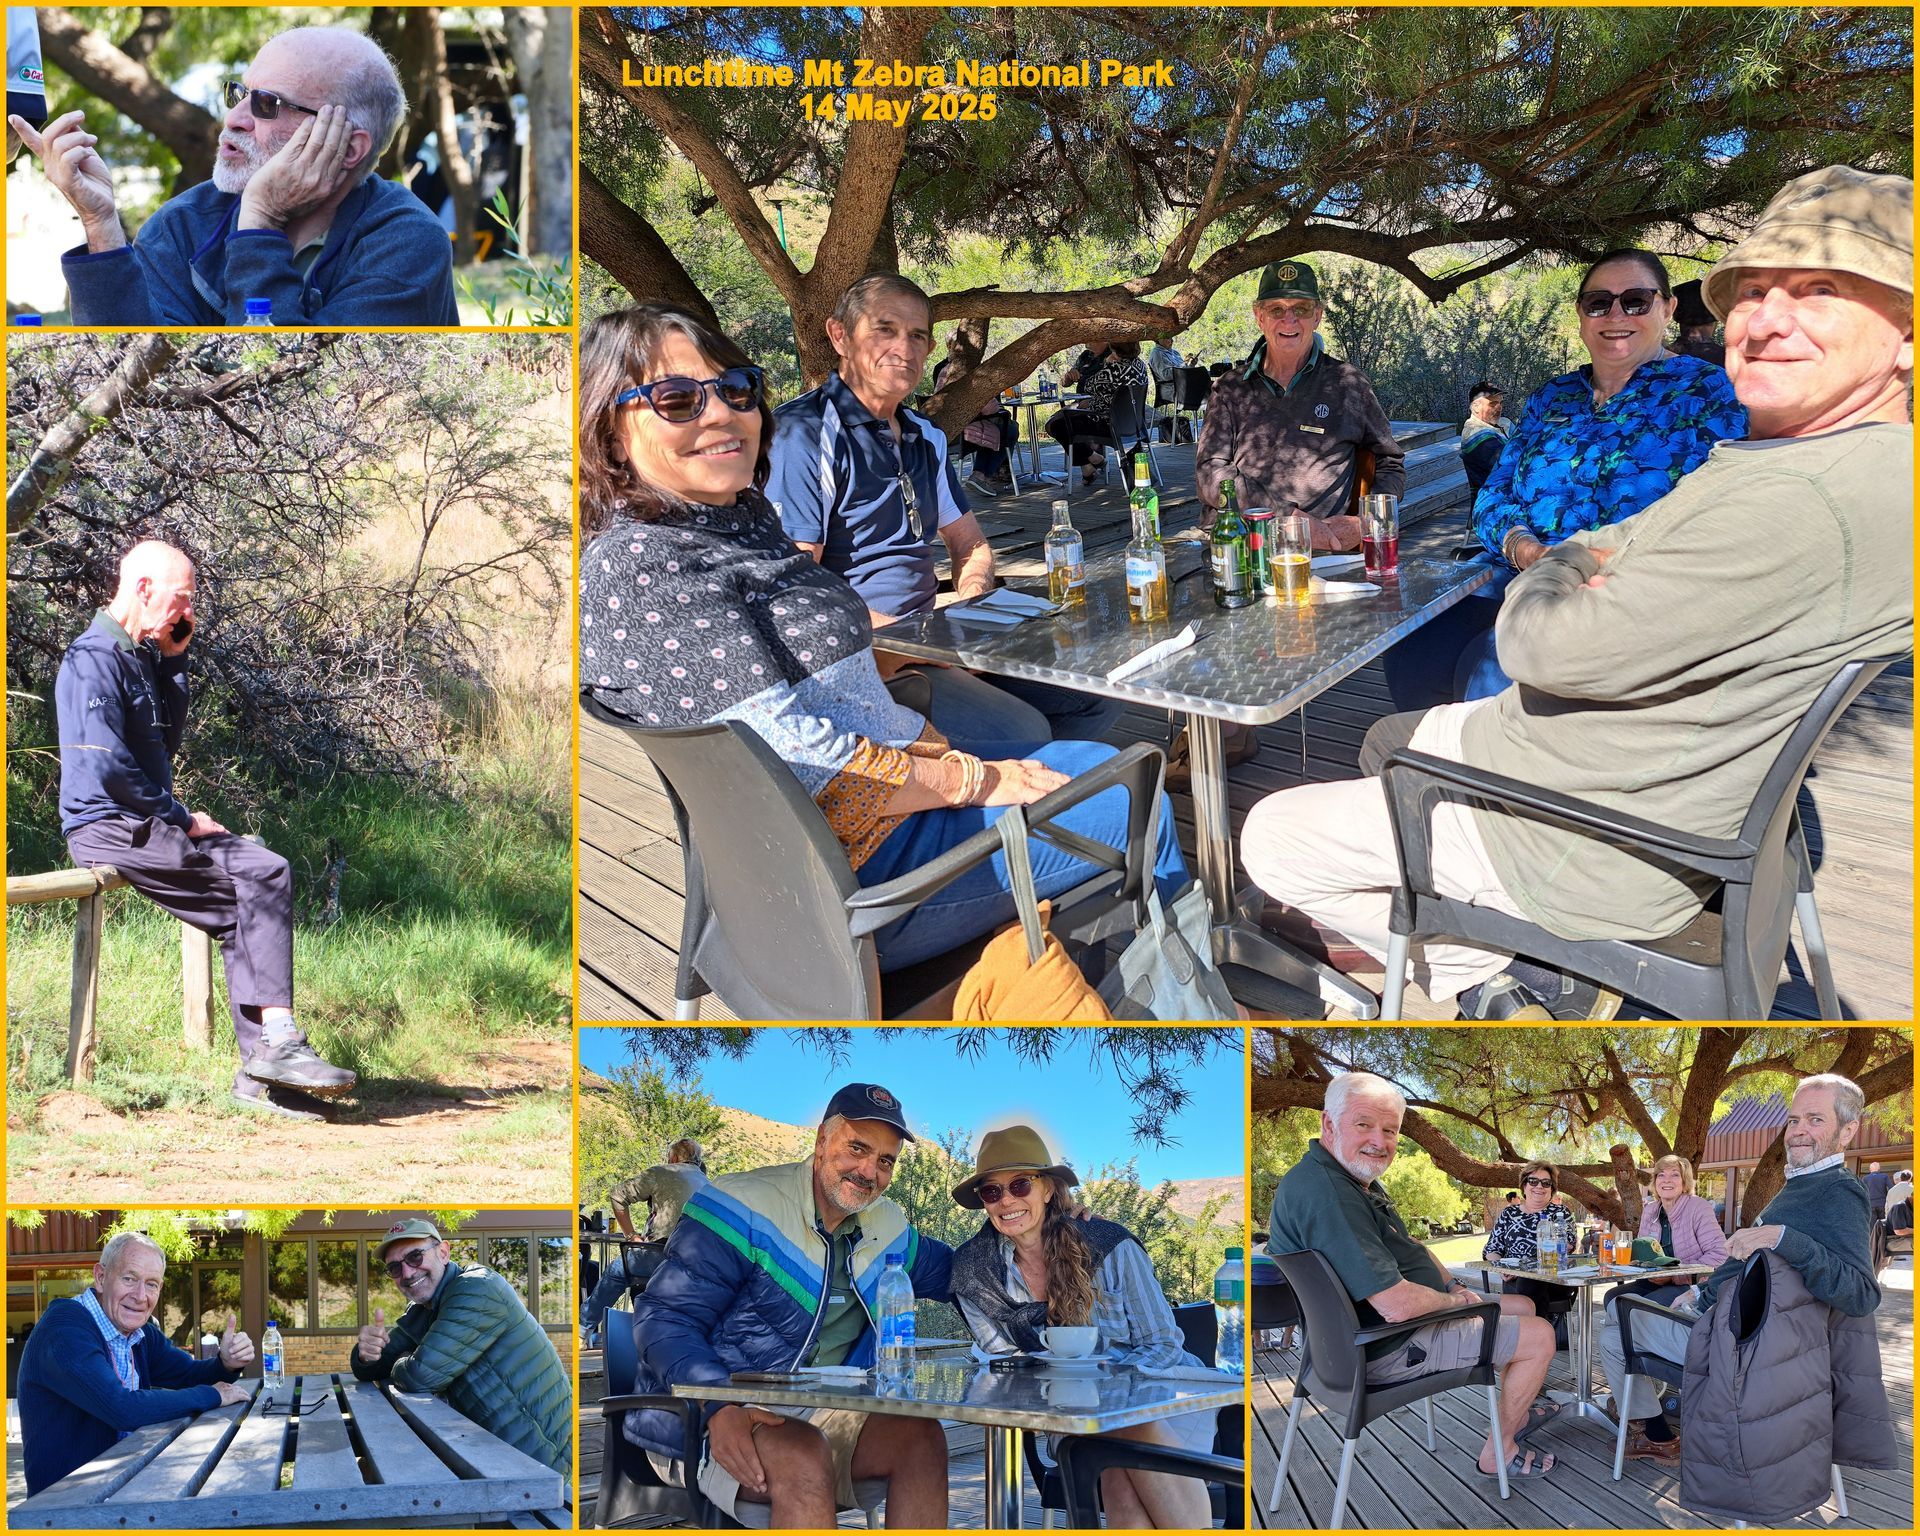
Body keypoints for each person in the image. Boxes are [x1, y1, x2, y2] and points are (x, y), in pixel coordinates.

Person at [1242, 165, 1913, 1021]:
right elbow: (1508, 502)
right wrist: (1539, 551)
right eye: (1753, 293)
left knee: (1281, 827)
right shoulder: (1589, 406)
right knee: (1393, 711)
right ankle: (1438, 903)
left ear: (1665, 311)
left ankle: (1478, 959)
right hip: (1563, 648)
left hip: (1587, 799)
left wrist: (1555, 567)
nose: (1770, 319)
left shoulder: (1732, 422)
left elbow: (1558, 637)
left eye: (1820, 291)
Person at [579, 306, 1186, 975]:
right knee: (1138, 795)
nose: (721, 413)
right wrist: (973, 778)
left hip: (885, 793)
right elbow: (797, 764)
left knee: (1106, 758)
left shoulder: (733, 522)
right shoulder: (645, 563)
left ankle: (1119, 964)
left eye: (736, 389)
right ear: (610, 435)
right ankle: (1187, 988)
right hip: (858, 880)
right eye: (676, 399)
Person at [55, 540, 356, 1115]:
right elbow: (107, 768)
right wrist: (182, 818)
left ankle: (271, 1059)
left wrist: (173, 662)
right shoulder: (92, 658)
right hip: (110, 826)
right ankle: (271, 1057)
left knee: (268, 871)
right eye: (182, 598)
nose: (188, 611)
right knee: (243, 904)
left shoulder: (138, 656)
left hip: (150, 819)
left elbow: (162, 747)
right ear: (144, 588)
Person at [1385, 250, 1747, 710]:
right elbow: (1494, 493)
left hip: (1619, 592)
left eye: (1635, 300)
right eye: (1599, 302)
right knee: (1413, 645)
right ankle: (1431, 751)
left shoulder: (1710, 394)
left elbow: (1723, 514)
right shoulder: (1554, 397)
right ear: (1581, 314)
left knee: (1491, 669)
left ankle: (1488, 755)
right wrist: (1523, 548)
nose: (1616, 314)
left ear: (1668, 308)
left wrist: (1595, 567)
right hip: (1518, 571)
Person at [768, 275, 1122, 743]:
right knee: (1023, 731)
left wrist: (973, 605)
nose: (904, 348)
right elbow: (798, 592)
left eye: (917, 336)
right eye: (884, 330)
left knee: (1098, 691)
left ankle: (1013, 780)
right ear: (839, 336)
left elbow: (969, 543)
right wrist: (917, 642)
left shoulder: (923, 435)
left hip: (933, 637)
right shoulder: (803, 435)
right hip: (859, 658)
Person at [624, 1083, 955, 1528]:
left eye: (885, 1161)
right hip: (707, 1416)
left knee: (921, 1438)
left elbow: (960, 1272)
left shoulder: (888, 1226)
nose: (868, 1171)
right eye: (857, 1148)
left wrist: (1036, 1231)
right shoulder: (742, 1203)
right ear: (821, 1141)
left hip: (823, 1413)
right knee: (802, 1452)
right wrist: (716, 1404)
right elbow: (663, 1318)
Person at [10, 27, 455, 326]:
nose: (234, 118)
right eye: (239, 93)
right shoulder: (184, 223)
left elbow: (296, 391)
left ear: (349, 148)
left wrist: (260, 223)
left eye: (267, 104)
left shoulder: (407, 242)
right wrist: (101, 224)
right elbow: (125, 373)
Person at [1269, 1072, 1561, 1481]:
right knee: (1540, 1336)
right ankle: (1500, 1450)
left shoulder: (1353, 1181)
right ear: (1328, 1124)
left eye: (1390, 1130)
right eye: (1364, 1124)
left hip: (1356, 1343)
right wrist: (1457, 1303)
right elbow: (1396, 1305)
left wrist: (1454, 1286)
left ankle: (1518, 1407)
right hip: (1386, 1346)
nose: (1379, 1141)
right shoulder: (1330, 1195)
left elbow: (1414, 1247)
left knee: (1525, 1305)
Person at [1595, 1074, 1880, 1465]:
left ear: (1847, 1131)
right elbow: (1741, 1263)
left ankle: (1656, 1433)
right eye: (1794, 1120)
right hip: (1728, 1323)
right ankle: (1655, 1425)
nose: (1798, 1131)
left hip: (1740, 1349)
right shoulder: (1803, 1185)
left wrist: (1780, 1237)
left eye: (1815, 1120)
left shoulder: (1838, 1189)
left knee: (1614, 1326)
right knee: (1617, 1316)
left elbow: (1862, 1295)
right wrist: (1700, 1292)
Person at [949, 1124, 1214, 1529]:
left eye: (1020, 1185)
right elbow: (1005, 1365)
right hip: (1067, 1412)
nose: (1006, 1200)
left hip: (1158, 1400)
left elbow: (1162, 1344)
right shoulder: (975, 1274)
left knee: (1125, 1436)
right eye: (992, 1191)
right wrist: (1080, 1397)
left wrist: (1108, 1394)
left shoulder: (1109, 1245)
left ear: (1047, 1189)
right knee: (1114, 1448)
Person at [16, 1232, 254, 1495]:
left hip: (125, 1484)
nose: (141, 1296)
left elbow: (189, 1374)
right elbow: (121, 1408)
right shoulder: (64, 1329)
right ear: (101, 1277)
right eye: (129, 1278)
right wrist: (213, 1395)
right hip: (65, 1503)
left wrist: (226, 1363)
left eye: (151, 1284)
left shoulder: (140, 1333)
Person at [1195, 259, 1405, 547]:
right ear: (1259, 316)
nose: (1289, 319)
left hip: (1320, 553)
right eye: (1276, 309)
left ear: (1317, 315)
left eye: (1301, 309)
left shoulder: (1347, 384)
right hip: (1239, 545)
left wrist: (1368, 521)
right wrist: (1284, 517)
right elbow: (1210, 472)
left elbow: (1390, 462)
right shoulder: (1230, 388)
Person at [350, 1218, 572, 1473]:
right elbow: (373, 1365)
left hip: (543, 1463)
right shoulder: (425, 1308)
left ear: (443, 1252)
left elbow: (419, 1376)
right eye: (395, 1267)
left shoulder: (477, 1289)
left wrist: (404, 1359)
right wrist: (366, 1354)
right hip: (495, 1454)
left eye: (415, 1257)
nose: (408, 1273)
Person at [580, 1136, 710, 1340]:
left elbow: (617, 1196)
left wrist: (631, 1235)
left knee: (616, 1272)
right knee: (640, 1284)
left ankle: (582, 1330)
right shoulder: (709, 1184)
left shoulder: (662, 1172)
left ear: (674, 1158)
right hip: (697, 1261)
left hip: (663, 1254)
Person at [1047, 340, 1151, 486]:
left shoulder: (1111, 369)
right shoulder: (1139, 365)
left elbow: (1089, 386)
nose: (1086, 344)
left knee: (1057, 424)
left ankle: (1092, 460)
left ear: (1114, 348)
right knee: (1065, 421)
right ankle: (1088, 465)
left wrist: (1107, 364)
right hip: (1134, 424)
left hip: (1107, 423)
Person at [1482, 1160, 1577, 1318]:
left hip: (1554, 1278)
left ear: (1552, 1189)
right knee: (1526, 1283)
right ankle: (1537, 1328)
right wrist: (1502, 1268)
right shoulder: (1508, 1214)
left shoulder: (1560, 1213)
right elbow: (1492, 1249)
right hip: (1515, 1278)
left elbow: (1568, 1244)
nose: (1539, 1186)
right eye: (1533, 1181)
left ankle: (1534, 1329)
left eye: (1546, 1183)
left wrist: (1529, 1266)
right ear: (1524, 1186)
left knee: (1530, 1282)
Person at [931, 336, 1019, 499]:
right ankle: (981, 475)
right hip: (961, 433)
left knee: (996, 427)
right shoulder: (968, 372)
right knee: (1009, 428)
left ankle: (988, 473)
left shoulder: (943, 369)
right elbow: (989, 408)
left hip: (943, 429)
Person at [1458, 382, 1510, 495]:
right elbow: (1508, 463)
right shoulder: (1475, 433)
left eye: (1500, 403)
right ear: (1476, 407)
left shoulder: (1504, 422)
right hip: (1492, 498)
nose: (1499, 408)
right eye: (1493, 404)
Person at [1671, 278, 1725, 365]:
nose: (1693, 334)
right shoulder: (1731, 360)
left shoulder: (1660, 358)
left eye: (1705, 324)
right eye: (1688, 325)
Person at [1147, 336, 1191, 442]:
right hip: (1170, 388)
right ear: (1158, 339)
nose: (1171, 340)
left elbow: (1184, 371)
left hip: (1182, 385)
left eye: (1171, 338)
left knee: (1209, 386)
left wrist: (1190, 365)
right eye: (1167, 338)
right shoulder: (1157, 354)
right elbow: (1165, 375)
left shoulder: (1174, 353)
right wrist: (1183, 365)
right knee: (1208, 390)